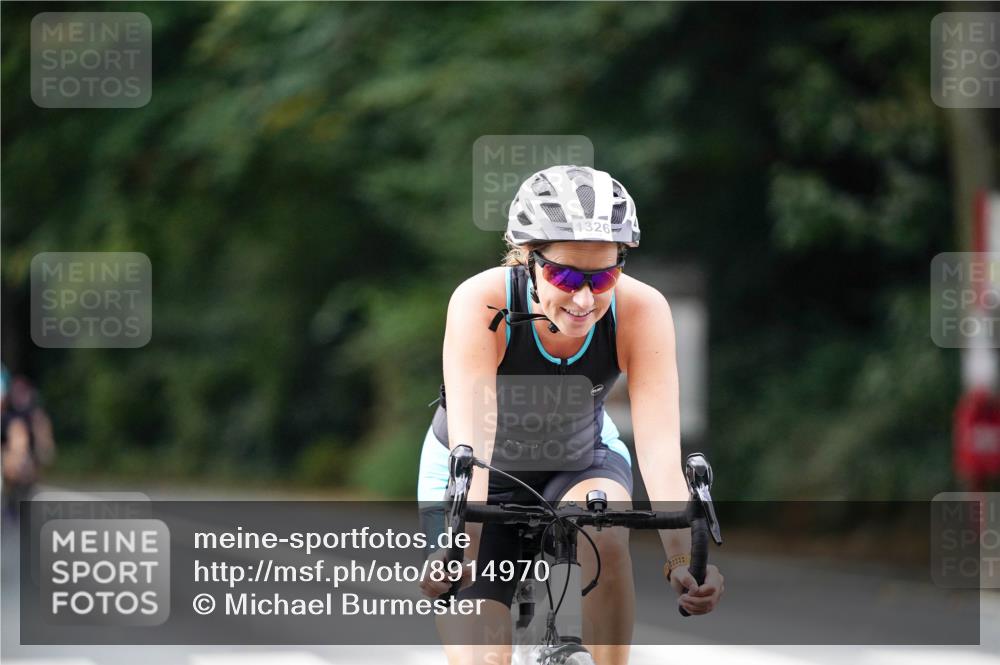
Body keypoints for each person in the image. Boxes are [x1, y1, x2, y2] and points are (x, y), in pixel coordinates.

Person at [416, 165, 724, 665]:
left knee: (604, 525)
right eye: (563, 275)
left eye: (604, 277)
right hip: (480, 475)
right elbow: (470, 451)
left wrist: (683, 561)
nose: (584, 299)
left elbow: (661, 454)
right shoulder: (482, 301)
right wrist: (459, 553)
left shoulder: (642, 310)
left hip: (580, 459)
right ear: (527, 260)